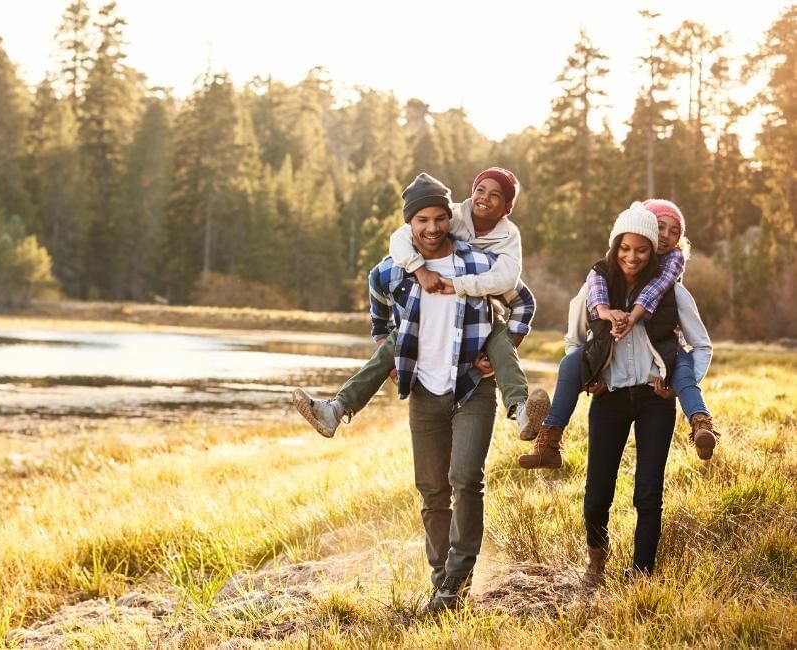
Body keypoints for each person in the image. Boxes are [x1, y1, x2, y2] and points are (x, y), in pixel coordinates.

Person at [360, 174, 534, 613]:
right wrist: (387, 347)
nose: (433, 228)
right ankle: (442, 583)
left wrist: (503, 346)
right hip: (423, 389)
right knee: (432, 490)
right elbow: (376, 293)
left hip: (472, 386)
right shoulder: (396, 267)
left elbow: (523, 300)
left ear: (448, 219)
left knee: (465, 479)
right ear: (410, 225)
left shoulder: (477, 263)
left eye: (440, 218)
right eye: (422, 220)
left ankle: (457, 580)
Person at [293, 168, 548, 442]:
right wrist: (419, 270)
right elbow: (400, 238)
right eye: (480, 190)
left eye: (496, 195)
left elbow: (512, 283)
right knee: (395, 341)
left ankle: (521, 410)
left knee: (500, 340)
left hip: (483, 313)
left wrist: (502, 348)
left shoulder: (508, 238)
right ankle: (336, 409)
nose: (433, 227)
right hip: (427, 316)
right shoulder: (451, 216)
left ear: (508, 207)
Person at [563, 204, 713, 585]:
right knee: (598, 489)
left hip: (654, 400)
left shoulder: (673, 293)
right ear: (616, 247)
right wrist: (588, 378)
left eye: (643, 248)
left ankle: (642, 571)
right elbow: (573, 341)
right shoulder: (595, 288)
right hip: (609, 398)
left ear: (652, 250)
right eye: (626, 248)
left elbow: (702, 346)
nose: (633, 256)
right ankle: (596, 561)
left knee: (648, 491)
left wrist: (678, 384)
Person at [518, 199, 720, 470]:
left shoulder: (671, 275)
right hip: (610, 377)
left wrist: (633, 318)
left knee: (682, 368)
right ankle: (550, 438)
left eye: (674, 232)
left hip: (662, 357)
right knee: (570, 364)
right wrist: (592, 374)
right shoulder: (601, 274)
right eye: (660, 228)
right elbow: (578, 330)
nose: (666, 237)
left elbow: (659, 295)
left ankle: (701, 422)